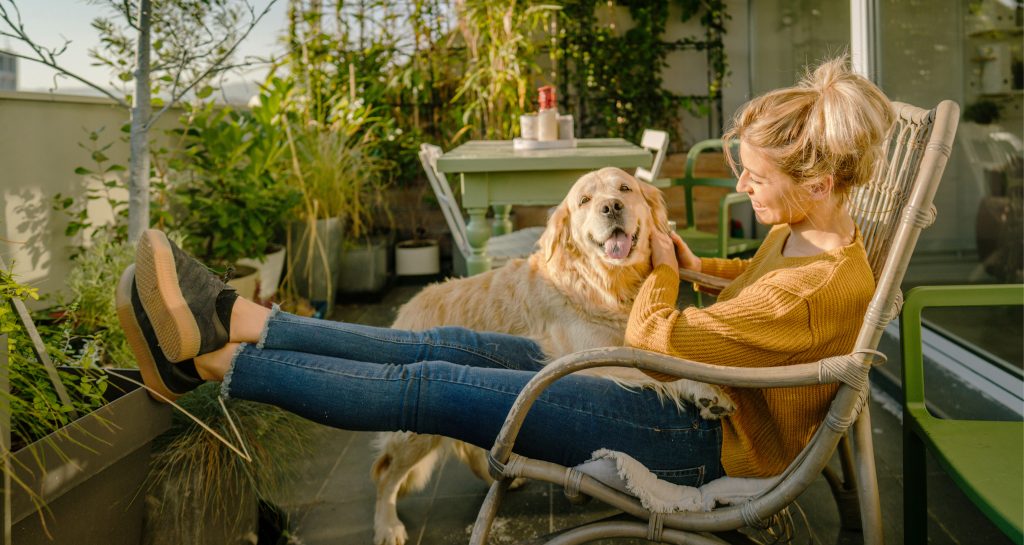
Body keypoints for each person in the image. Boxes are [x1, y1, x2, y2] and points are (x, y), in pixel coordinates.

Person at [117, 56, 893, 486]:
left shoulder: (820, 283)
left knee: (434, 390)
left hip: (687, 433)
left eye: (756, 178)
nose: (743, 188)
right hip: (658, 389)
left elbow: (665, 340)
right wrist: (698, 263)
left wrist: (660, 268)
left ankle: (216, 361)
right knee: (439, 344)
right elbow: (754, 286)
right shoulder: (815, 236)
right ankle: (240, 315)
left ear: (819, 180)